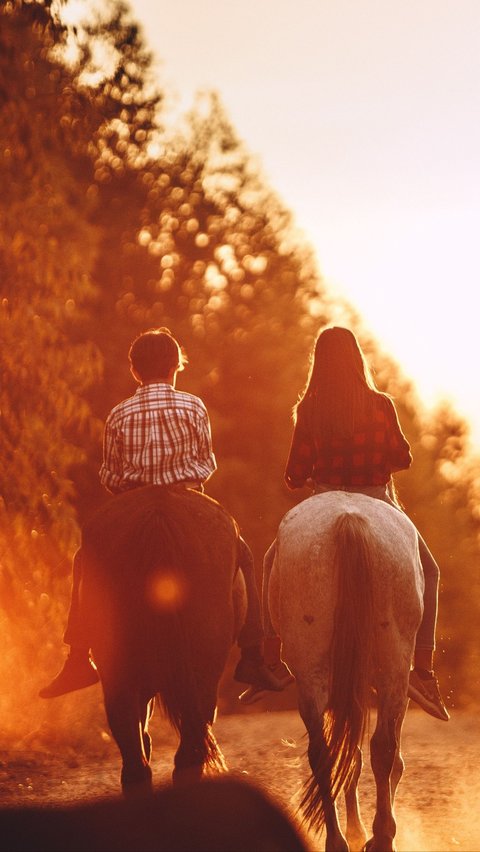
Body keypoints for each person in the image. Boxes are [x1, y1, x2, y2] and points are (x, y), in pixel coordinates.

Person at [40, 328, 286, 699]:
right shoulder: (193, 406)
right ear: (176, 368)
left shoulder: (118, 413)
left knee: (84, 559)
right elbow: (205, 464)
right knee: (244, 555)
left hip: (133, 499)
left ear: (135, 372)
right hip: (185, 495)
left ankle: (77, 657)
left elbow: (110, 474)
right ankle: (252, 655)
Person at [282, 325, 449, 721]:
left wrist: (316, 478)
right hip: (377, 497)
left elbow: (293, 473)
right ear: (357, 358)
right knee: (431, 570)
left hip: (322, 494)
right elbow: (403, 457)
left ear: (318, 363)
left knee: (274, 561)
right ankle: (422, 671)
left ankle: (268, 659)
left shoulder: (308, 408)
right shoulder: (380, 404)